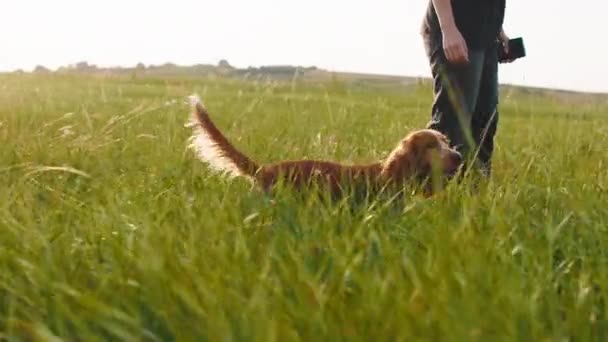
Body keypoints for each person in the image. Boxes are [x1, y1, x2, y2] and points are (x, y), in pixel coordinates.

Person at [421, 0, 510, 178]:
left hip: (486, 38)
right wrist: (448, 29)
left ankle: (474, 196)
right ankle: (430, 194)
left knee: (484, 123)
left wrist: (499, 32)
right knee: (452, 124)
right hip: (458, 32)